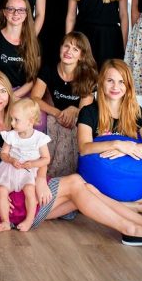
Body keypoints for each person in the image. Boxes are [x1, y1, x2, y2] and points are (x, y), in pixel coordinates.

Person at [0, 70, 142, 247]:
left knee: (88, 189)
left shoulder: (20, 121)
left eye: (2, 91)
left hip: (30, 193)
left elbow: (39, 156)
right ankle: (132, 230)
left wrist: (41, 179)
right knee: (75, 182)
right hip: (4, 200)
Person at [77, 59, 142, 211]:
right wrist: (117, 145)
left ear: (128, 85)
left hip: (130, 176)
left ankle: (125, 207)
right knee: (82, 187)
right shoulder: (88, 111)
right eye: (110, 80)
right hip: (101, 179)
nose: (115, 87)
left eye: (121, 82)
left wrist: (128, 149)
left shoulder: (136, 112)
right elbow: (84, 148)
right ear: (101, 82)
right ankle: (140, 207)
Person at [30, 32, 97, 178]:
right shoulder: (48, 69)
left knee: (72, 128)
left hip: (79, 117)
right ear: (60, 48)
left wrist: (73, 109)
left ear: (82, 56)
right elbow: (34, 98)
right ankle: (44, 171)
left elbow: (85, 109)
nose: (68, 51)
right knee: (50, 122)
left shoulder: (88, 75)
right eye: (66, 46)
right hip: (56, 114)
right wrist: (56, 112)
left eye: (75, 49)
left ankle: (65, 175)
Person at [0, 98, 50, 232]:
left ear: (30, 121)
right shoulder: (11, 136)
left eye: (16, 120)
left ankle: (29, 220)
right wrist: (11, 160)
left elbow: (46, 159)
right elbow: (3, 154)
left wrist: (33, 163)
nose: (12, 123)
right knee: (1, 190)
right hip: (11, 169)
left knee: (30, 191)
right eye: (11, 119)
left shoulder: (39, 138)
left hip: (28, 171)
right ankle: (5, 221)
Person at [0, 0, 41, 97]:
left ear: (26, 14)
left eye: (21, 10)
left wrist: (14, 96)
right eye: (11, 9)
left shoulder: (34, 43)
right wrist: (4, 95)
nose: (16, 13)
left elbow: (33, 79)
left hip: (24, 94)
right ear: (4, 12)